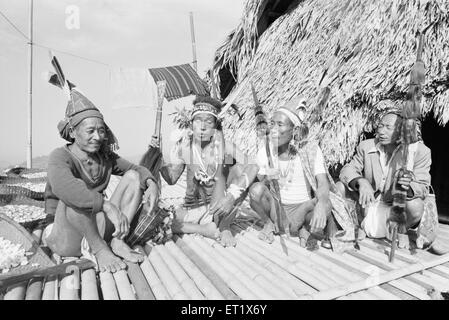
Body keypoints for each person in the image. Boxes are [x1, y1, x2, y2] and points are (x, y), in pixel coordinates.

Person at [43, 88, 160, 273]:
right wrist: (107, 206)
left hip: (95, 227)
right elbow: (63, 188)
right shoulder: (60, 156)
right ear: (73, 132)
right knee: (75, 193)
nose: (97, 137)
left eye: (101, 131)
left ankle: (118, 240)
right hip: (65, 236)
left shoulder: (105, 157)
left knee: (133, 178)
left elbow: (136, 169)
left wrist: (152, 183)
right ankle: (100, 249)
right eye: (90, 131)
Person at [150, 95, 259, 247]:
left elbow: (253, 166)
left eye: (208, 122)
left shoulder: (224, 146)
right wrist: (159, 157)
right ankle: (204, 230)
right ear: (191, 124)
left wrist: (231, 197)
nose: (202, 127)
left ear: (215, 126)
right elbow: (171, 179)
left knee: (240, 169)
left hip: (219, 209)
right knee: (160, 221)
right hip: (191, 209)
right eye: (197, 121)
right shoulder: (185, 148)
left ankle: (224, 226)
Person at [337, 111, 440, 251]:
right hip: (368, 204)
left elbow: (423, 186)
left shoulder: (419, 152)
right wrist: (360, 181)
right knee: (339, 188)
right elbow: (347, 170)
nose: (381, 131)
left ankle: (398, 230)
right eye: (380, 126)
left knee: (416, 206)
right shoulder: (366, 146)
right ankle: (357, 225)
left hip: (396, 209)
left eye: (388, 127)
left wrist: (407, 187)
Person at [248, 97, 339, 248]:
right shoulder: (266, 149)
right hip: (277, 211)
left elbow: (323, 183)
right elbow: (258, 187)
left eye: (280, 124)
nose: (273, 129)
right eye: (272, 124)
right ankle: (269, 224)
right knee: (255, 191)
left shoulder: (310, 150)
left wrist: (321, 204)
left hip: (303, 211)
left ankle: (305, 228)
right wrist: (267, 179)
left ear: (294, 130)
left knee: (326, 203)